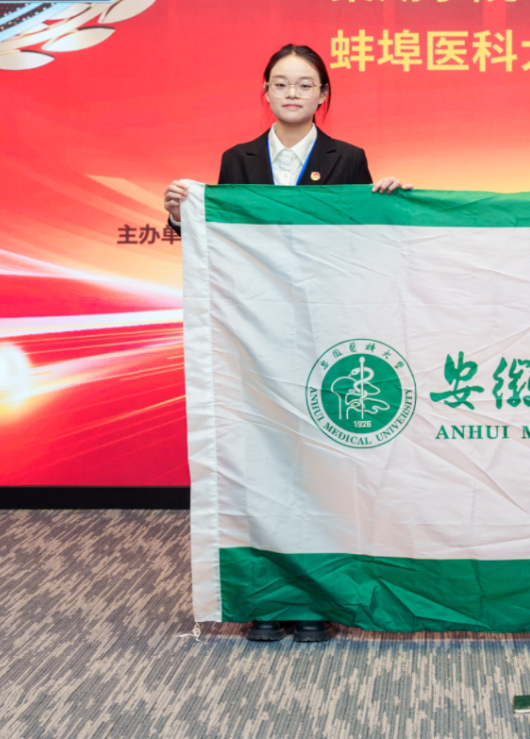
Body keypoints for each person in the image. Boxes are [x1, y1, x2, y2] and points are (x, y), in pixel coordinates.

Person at [164, 43, 404, 646]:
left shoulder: (349, 158)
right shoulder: (238, 159)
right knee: (261, 463)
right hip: (256, 336)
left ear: (324, 95)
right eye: (280, 83)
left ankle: (316, 599)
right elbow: (223, 240)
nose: (292, 93)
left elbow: (361, 246)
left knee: (322, 467)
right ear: (265, 92)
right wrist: (182, 216)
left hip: (325, 335)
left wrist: (387, 203)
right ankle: (266, 599)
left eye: (304, 84)